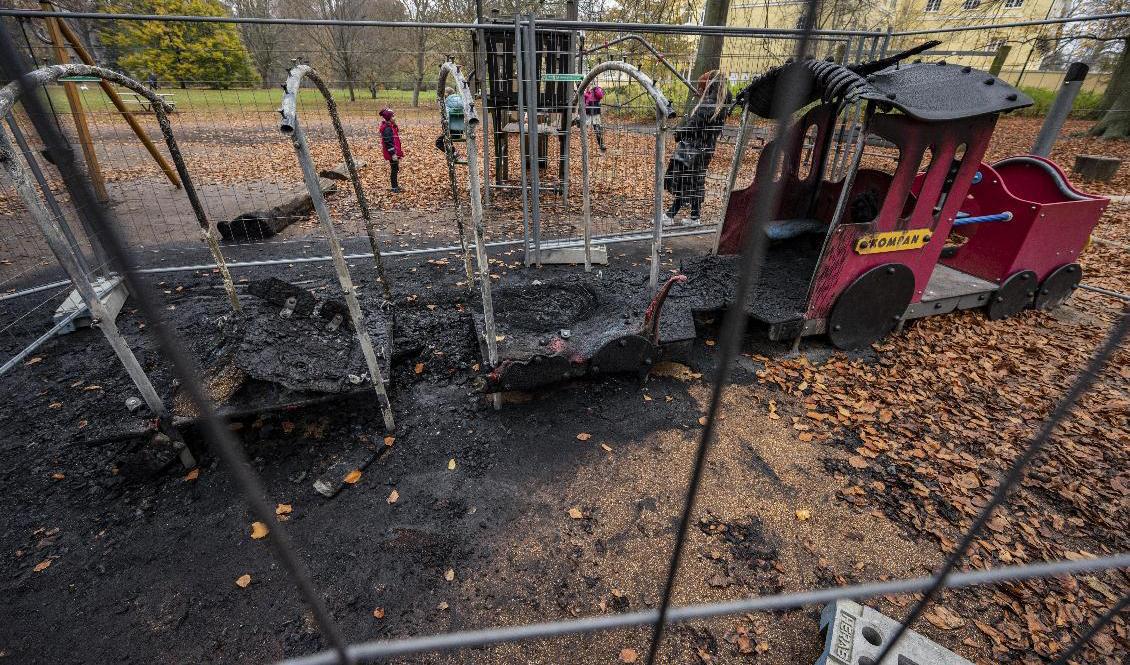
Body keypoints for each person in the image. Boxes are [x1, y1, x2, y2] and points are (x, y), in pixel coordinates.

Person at [663, 70, 732, 225]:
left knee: (687, 180)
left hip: (695, 148)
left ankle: (670, 216)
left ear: (709, 86)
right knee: (696, 181)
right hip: (706, 149)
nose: (700, 90)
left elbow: (695, 125)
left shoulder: (708, 104)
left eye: (702, 88)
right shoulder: (720, 101)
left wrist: (679, 133)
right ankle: (695, 218)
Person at [379, 107, 403, 193]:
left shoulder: (391, 126)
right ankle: (394, 187)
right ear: (389, 118)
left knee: (395, 168)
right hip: (391, 153)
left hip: (394, 152)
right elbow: (388, 142)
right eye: (393, 116)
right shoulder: (387, 128)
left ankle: (395, 185)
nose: (394, 118)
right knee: (394, 169)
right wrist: (393, 154)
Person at [582, 84, 606, 152]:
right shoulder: (591, 91)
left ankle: (601, 145)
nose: (588, 86)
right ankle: (600, 145)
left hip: (593, 113)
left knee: (596, 129)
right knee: (588, 129)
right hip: (591, 112)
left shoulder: (594, 90)